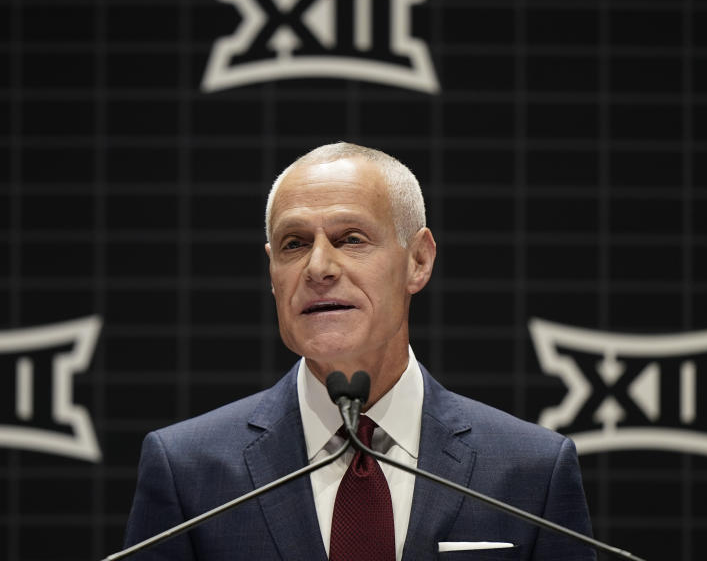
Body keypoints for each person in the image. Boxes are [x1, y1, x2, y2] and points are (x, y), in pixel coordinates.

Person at [124, 142, 595, 560]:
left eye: (351, 239)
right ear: (272, 272)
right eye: (294, 244)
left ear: (419, 260)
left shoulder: (531, 471)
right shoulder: (188, 470)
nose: (319, 267)